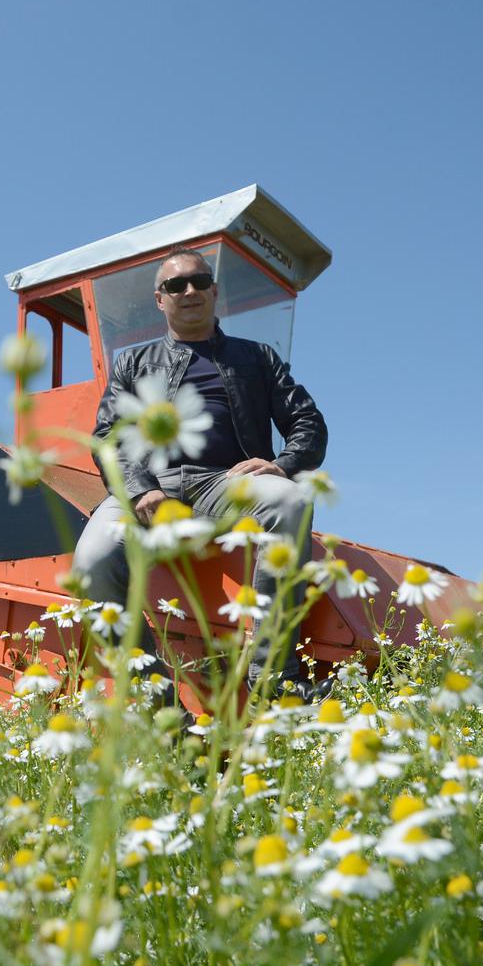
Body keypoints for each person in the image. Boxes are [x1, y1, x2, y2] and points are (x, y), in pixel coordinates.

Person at [72, 248, 330, 703]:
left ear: (213, 291)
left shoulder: (257, 358)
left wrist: (281, 465)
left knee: (290, 499)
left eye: (198, 281)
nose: (188, 291)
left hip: (224, 481)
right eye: (175, 285)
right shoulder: (132, 363)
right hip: (148, 486)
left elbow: (308, 423)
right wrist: (139, 490)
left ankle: (273, 675)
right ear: (160, 300)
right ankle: (159, 703)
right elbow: (110, 437)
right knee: (90, 563)